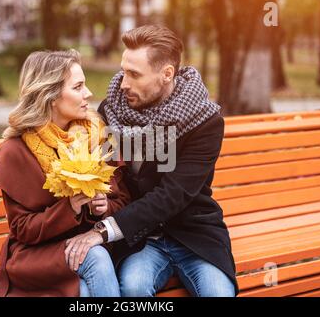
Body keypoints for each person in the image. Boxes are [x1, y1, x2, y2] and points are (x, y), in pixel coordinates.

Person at [66, 25, 239, 297]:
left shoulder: (204, 122)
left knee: (218, 293)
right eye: (124, 71)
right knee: (133, 289)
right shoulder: (111, 111)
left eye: (135, 74)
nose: (123, 83)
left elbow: (173, 195)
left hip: (193, 235)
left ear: (166, 74)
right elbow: (110, 180)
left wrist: (102, 231)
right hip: (140, 239)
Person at [0, 49, 130, 297]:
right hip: (37, 255)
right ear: (51, 96)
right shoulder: (16, 151)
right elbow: (22, 229)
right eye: (78, 87)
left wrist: (102, 207)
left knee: (85, 291)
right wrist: (70, 208)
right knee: (94, 259)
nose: (88, 94)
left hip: (91, 242)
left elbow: (123, 200)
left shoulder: (98, 134)